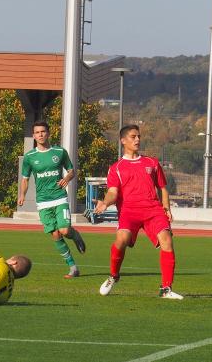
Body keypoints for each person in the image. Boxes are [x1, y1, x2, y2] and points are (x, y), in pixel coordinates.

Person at [94, 124, 182, 299]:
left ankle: (166, 289)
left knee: (166, 240)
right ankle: (113, 276)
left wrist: (167, 209)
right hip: (129, 212)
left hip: (153, 211)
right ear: (123, 141)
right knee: (121, 239)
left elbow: (162, 188)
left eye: (139, 136)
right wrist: (105, 203)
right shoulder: (116, 168)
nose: (137, 139)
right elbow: (113, 192)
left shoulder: (152, 163)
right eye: (133, 136)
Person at [17, 121, 87, 278]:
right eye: (37, 132)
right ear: (34, 136)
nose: (40, 135)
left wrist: (67, 178)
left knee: (65, 230)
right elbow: (25, 179)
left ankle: (76, 236)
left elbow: (71, 171)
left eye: (43, 131)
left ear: (48, 133)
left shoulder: (59, 152)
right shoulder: (30, 157)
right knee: (55, 234)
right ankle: (73, 268)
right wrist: (22, 195)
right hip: (43, 201)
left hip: (59, 198)